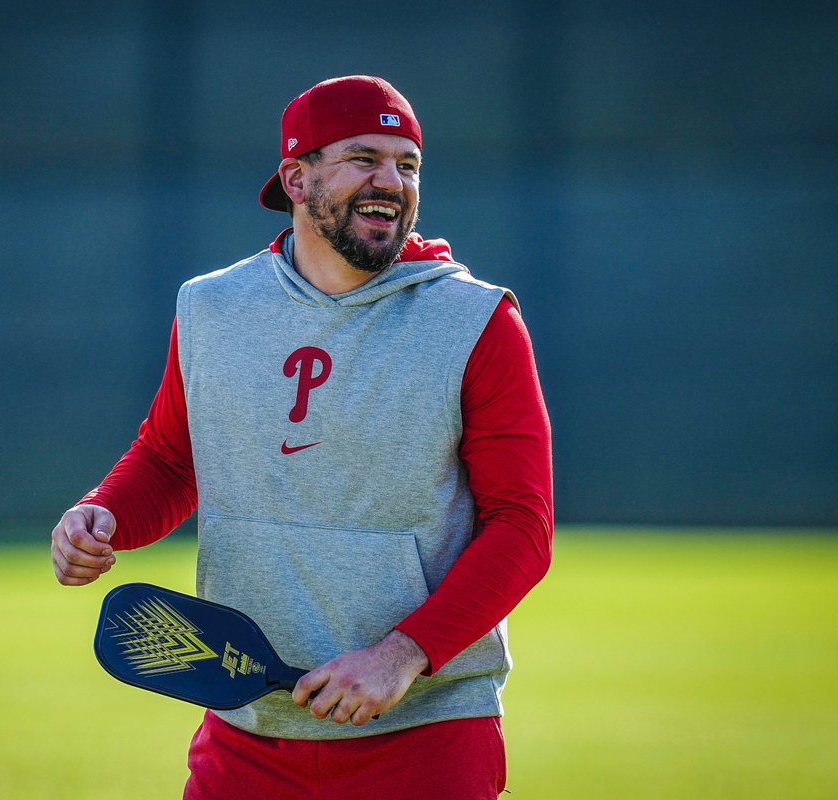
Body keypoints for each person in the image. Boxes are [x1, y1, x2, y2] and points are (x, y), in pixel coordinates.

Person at [51, 75, 553, 800]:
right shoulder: (212, 306)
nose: (391, 181)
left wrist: (400, 656)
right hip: (248, 733)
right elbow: (170, 458)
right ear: (296, 176)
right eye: (363, 158)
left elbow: (522, 527)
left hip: (424, 739)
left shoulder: (477, 322)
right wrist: (104, 515)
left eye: (407, 165)